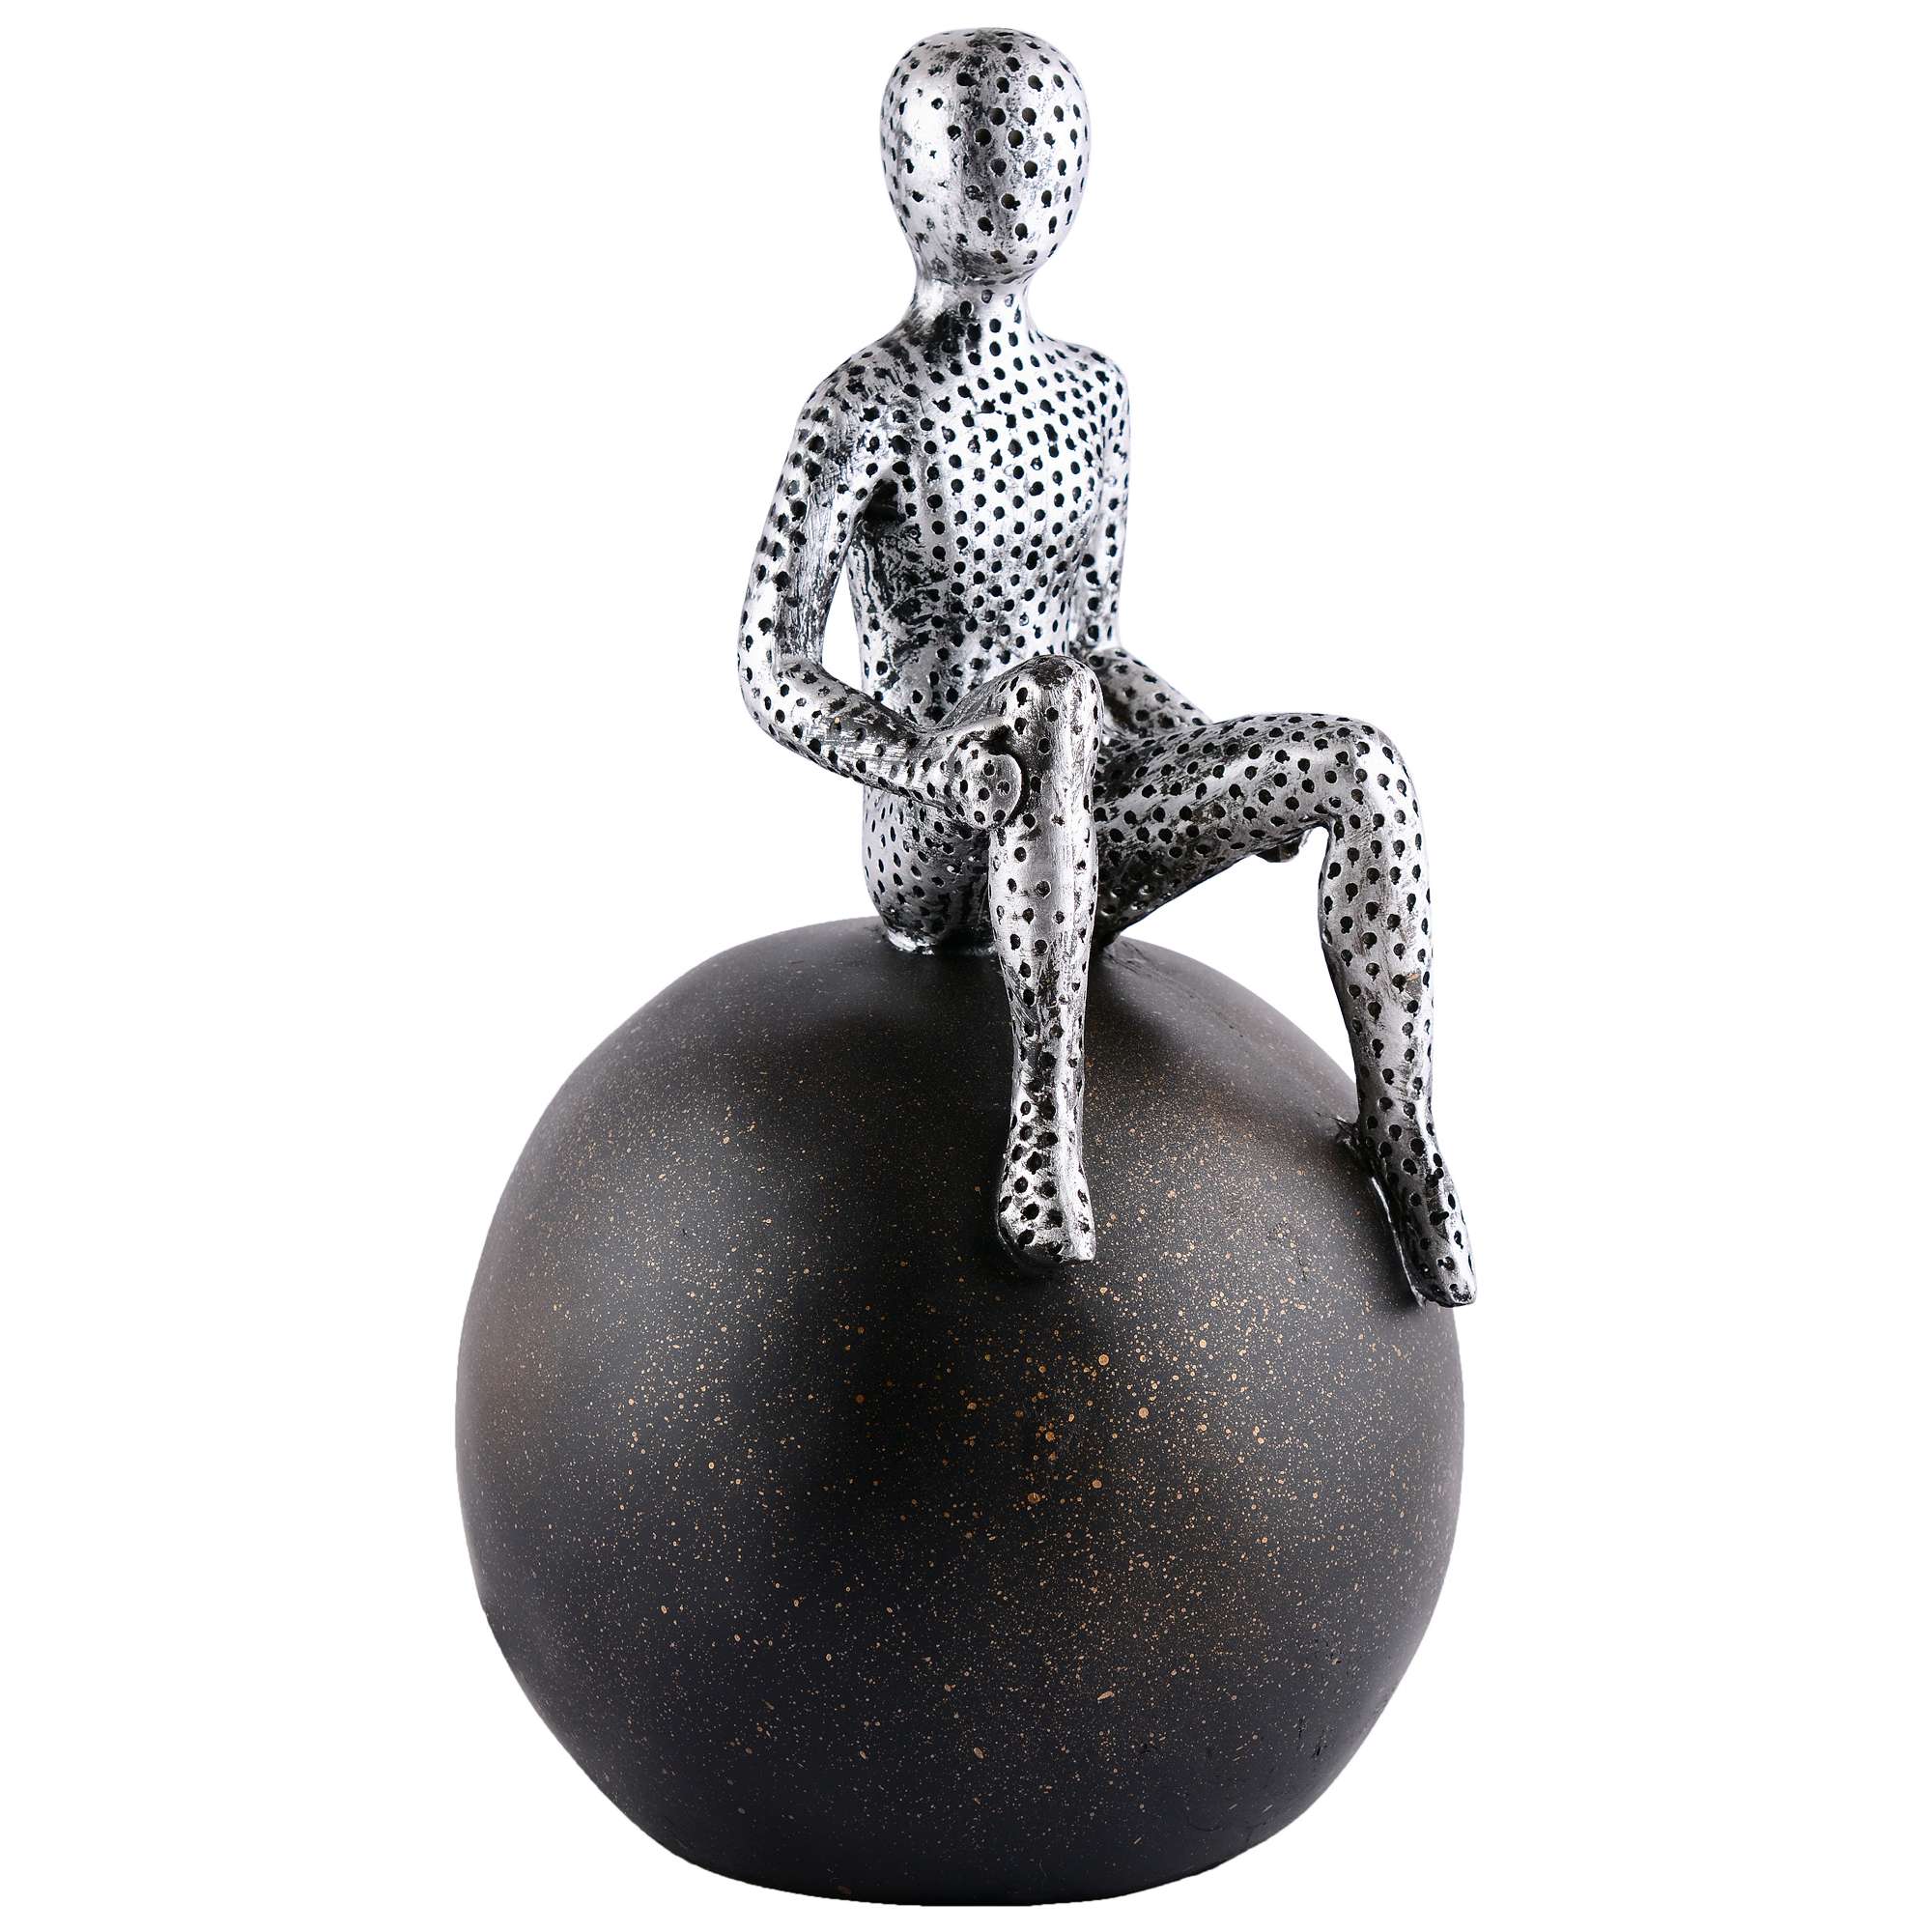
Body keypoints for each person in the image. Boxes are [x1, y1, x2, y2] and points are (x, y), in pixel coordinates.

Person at [739, 27, 1474, 1305]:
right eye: (973, 152)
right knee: (1047, 705)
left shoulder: (1095, 396)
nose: (1008, 184)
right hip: (937, 832)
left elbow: (1094, 646)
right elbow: (770, 662)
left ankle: (1401, 1133)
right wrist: (925, 764)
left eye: (1037, 153)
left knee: (1358, 768)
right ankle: (1044, 1120)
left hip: (1069, 820)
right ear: (905, 173)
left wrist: (1205, 752)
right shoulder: (864, 404)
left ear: (1077, 174)